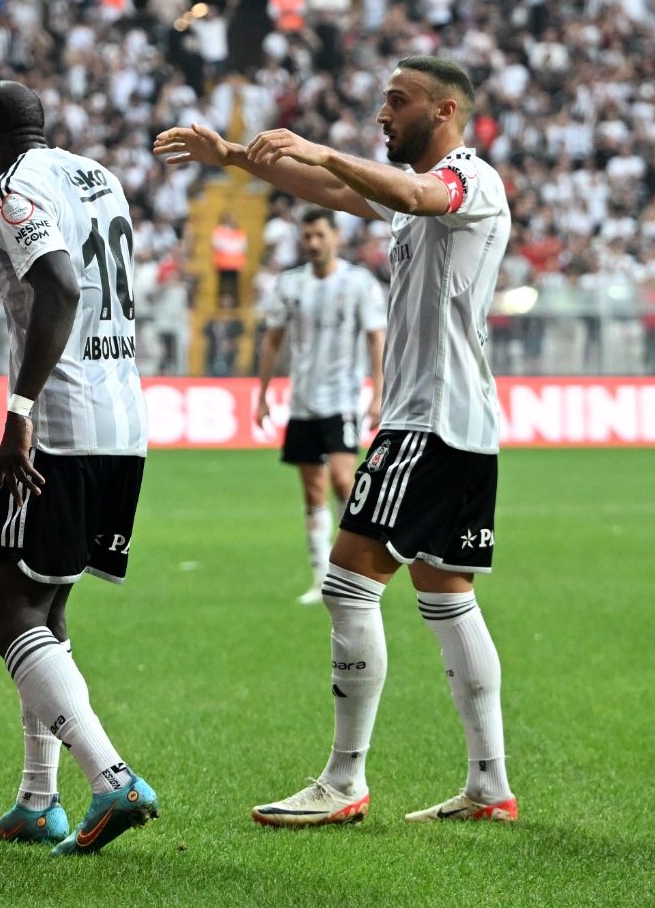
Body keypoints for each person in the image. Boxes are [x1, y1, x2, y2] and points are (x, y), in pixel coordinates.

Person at [157, 55, 518, 825]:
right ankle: (490, 785)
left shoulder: (468, 179)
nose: (383, 113)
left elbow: (410, 192)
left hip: (428, 421)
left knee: (349, 584)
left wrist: (319, 147)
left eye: (398, 100)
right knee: (447, 598)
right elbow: (333, 190)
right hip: (458, 422)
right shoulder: (416, 196)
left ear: (445, 111)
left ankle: (344, 779)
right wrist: (234, 157)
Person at [0, 79, 159, 856]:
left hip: (57, 423)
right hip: (121, 421)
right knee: (46, 613)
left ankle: (111, 777)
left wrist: (19, 414)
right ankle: (38, 800)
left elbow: (59, 285)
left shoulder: (11, 188)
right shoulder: (98, 176)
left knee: (7, 611)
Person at [254, 208, 386, 605]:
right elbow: (273, 339)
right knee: (313, 492)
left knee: (345, 481)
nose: (312, 243)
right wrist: (262, 394)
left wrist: (377, 394)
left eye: (319, 235)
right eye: (307, 236)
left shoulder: (358, 282)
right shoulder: (290, 284)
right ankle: (321, 578)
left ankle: (355, 571)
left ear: (336, 237)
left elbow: (376, 339)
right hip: (302, 402)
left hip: (342, 399)